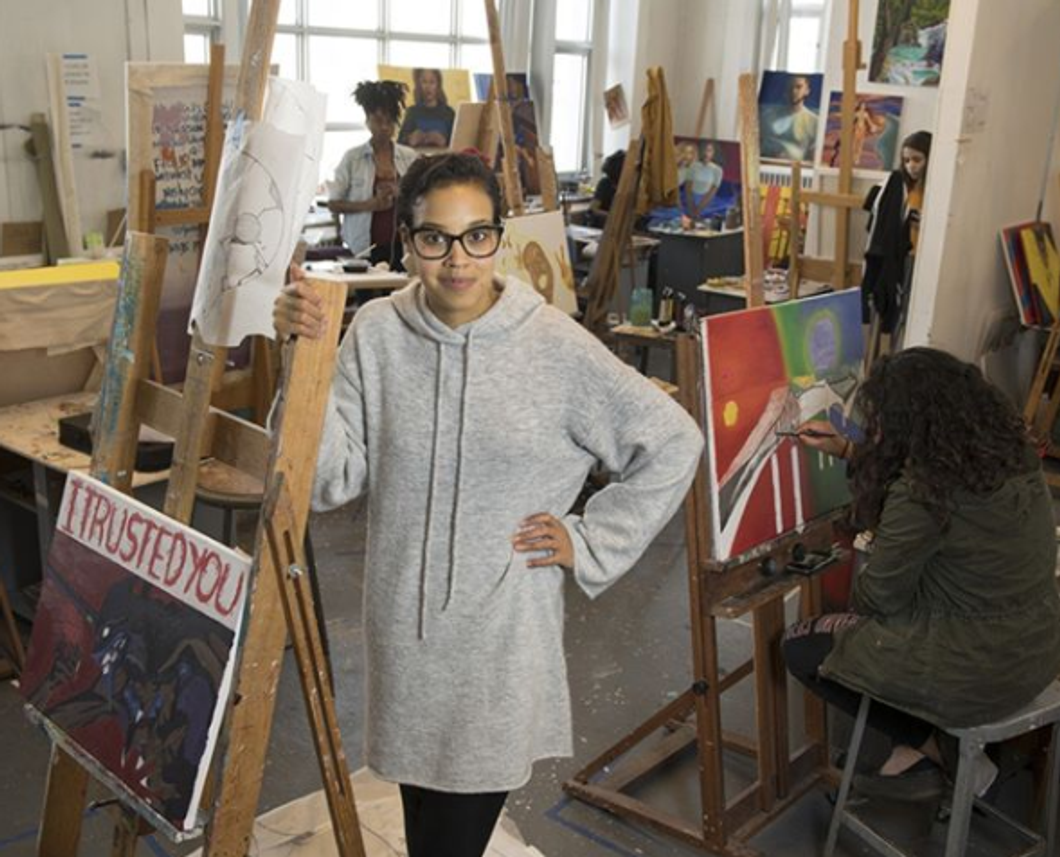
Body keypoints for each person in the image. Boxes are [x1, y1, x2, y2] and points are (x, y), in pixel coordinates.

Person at [274, 152, 704, 856]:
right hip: (404, 637)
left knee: (451, 842)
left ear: (499, 238)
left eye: (477, 235)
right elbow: (328, 479)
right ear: (406, 242)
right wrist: (301, 360)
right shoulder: (376, 334)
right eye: (435, 238)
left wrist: (589, 539)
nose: (457, 259)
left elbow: (672, 440)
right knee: (425, 831)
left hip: (499, 644)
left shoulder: (554, 346)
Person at [783, 348, 1060, 800]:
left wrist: (881, 530)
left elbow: (876, 600)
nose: (877, 432)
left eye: (881, 424)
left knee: (801, 645)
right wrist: (851, 450)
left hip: (979, 674)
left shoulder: (921, 492)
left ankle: (943, 753)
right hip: (1039, 654)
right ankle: (923, 751)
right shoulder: (1015, 456)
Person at [329, 80, 417, 269]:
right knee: (367, 287)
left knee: (400, 287)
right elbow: (333, 204)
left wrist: (401, 192)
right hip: (363, 247)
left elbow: (423, 198)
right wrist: (370, 205)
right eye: (378, 120)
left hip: (402, 246)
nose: (384, 127)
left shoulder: (409, 157)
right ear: (367, 121)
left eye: (389, 121)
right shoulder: (353, 158)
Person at [860, 130, 931, 364]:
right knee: (893, 314)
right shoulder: (897, 184)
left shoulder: (932, 188)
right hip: (898, 258)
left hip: (921, 259)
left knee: (910, 315)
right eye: (906, 159)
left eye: (917, 159)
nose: (911, 165)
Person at [759, 74, 819, 162]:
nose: (794, 91)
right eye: (790, 87)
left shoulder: (814, 122)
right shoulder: (767, 116)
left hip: (794, 169)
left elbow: (813, 159)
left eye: (798, 87)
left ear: (807, 91)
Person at [397, 68, 455, 150]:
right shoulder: (412, 112)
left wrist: (444, 141)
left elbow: (458, 143)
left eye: (432, 82)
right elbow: (399, 143)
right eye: (424, 82)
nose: (428, 87)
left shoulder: (449, 113)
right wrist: (410, 139)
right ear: (419, 85)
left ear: (438, 85)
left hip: (443, 157)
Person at [588, 149, 625, 227]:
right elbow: (593, 209)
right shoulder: (605, 183)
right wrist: (612, 216)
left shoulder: (627, 185)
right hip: (604, 224)